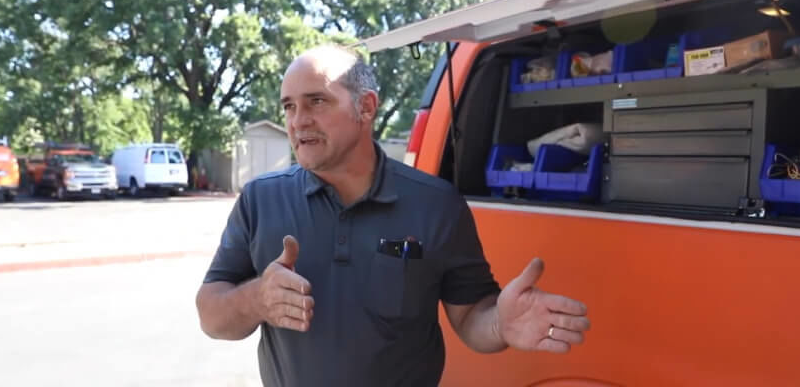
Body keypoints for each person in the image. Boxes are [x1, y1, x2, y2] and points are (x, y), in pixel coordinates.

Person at [195, 44, 591, 386]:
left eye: (317, 101)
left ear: (365, 107)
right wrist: (257, 300)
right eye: (289, 106)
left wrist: (500, 324)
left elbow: (471, 316)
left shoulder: (436, 204)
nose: (299, 120)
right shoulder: (261, 199)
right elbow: (210, 315)